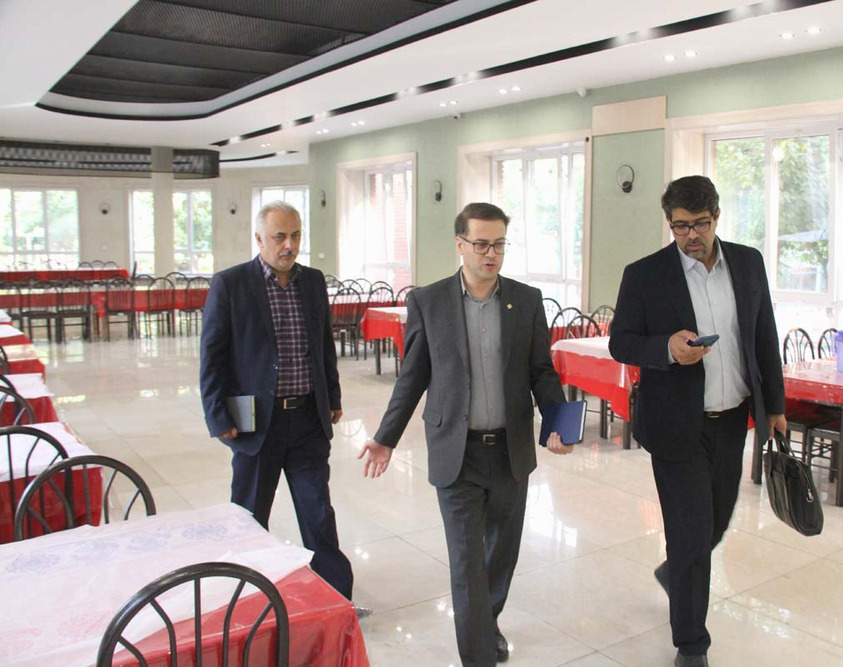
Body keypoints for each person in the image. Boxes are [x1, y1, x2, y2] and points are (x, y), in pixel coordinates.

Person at [358, 202, 572, 667]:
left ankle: (485, 622)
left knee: (501, 555)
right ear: (460, 244)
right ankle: (478, 655)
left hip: (511, 451)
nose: (490, 254)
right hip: (458, 452)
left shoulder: (526, 300)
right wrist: (386, 437)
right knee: (466, 562)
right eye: (481, 244)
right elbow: (413, 376)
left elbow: (541, 370)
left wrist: (559, 422)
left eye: (499, 245)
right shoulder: (429, 302)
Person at [608, 176, 786, 667]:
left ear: (717, 217)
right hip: (675, 425)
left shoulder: (747, 263)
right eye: (680, 226)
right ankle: (691, 644)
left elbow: (764, 334)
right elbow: (621, 342)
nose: (691, 236)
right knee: (690, 535)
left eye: (700, 224)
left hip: (731, 422)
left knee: (715, 522)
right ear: (669, 223)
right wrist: (666, 348)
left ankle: (677, 573)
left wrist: (775, 406)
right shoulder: (645, 274)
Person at [200, 200, 354, 600]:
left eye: (296, 235)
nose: (289, 245)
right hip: (255, 423)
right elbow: (212, 357)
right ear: (259, 238)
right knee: (250, 515)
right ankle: (243, 597)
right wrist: (217, 416)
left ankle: (335, 597)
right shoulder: (231, 284)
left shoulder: (312, 281)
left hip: (307, 419)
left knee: (318, 512)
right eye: (280, 237)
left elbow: (323, 345)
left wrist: (332, 395)